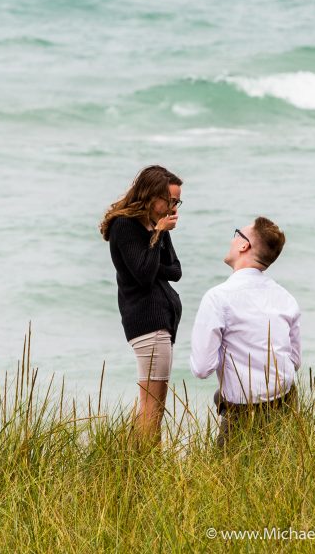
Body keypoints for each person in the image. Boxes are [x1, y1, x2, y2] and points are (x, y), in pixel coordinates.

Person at [190, 217, 301, 447]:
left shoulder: (218, 298)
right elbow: (295, 360)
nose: (232, 239)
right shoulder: (285, 297)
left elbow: (202, 369)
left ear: (244, 245)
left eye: (236, 233)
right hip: (287, 404)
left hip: (242, 414)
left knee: (224, 479)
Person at [100, 165, 183, 445]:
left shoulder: (156, 227)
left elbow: (175, 271)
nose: (173, 209)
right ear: (150, 196)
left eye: (177, 202)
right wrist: (157, 234)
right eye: (170, 201)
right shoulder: (125, 226)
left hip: (162, 323)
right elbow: (145, 275)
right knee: (151, 410)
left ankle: (138, 467)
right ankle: (145, 470)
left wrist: (157, 237)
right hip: (147, 324)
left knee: (153, 408)